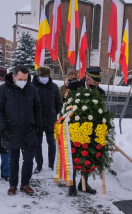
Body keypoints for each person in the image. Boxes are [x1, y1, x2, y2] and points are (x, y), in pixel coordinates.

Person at [0, 65, 42, 196]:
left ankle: (25, 183)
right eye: (20, 79)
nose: (23, 82)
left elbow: (37, 107)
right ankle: (12, 185)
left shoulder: (31, 89)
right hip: (11, 130)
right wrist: (2, 128)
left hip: (28, 130)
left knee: (29, 160)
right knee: (13, 160)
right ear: (13, 76)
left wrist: (37, 124)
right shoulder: (3, 90)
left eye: (25, 79)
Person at [67, 67, 105, 197]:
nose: (97, 84)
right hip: (74, 128)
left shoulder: (100, 92)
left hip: (91, 130)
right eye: (95, 82)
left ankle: (83, 183)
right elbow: (66, 105)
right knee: (74, 156)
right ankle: (71, 184)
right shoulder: (74, 86)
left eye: (98, 82)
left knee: (88, 156)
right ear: (87, 79)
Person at [32, 66, 62, 173]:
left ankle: (52, 163)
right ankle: (39, 164)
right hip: (37, 120)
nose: (44, 77)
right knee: (37, 143)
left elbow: (58, 103)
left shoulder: (53, 87)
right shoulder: (32, 87)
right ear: (38, 76)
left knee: (52, 143)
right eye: (42, 76)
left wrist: (54, 112)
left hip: (50, 119)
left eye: (46, 75)